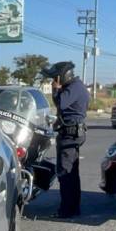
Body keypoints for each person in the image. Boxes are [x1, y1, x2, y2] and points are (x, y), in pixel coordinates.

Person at [41, 61, 89, 218]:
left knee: (65, 174)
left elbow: (61, 103)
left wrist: (55, 90)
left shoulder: (74, 87)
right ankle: (73, 208)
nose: (53, 81)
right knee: (71, 174)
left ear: (63, 76)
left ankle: (67, 211)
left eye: (55, 78)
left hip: (70, 135)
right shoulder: (76, 86)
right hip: (72, 132)